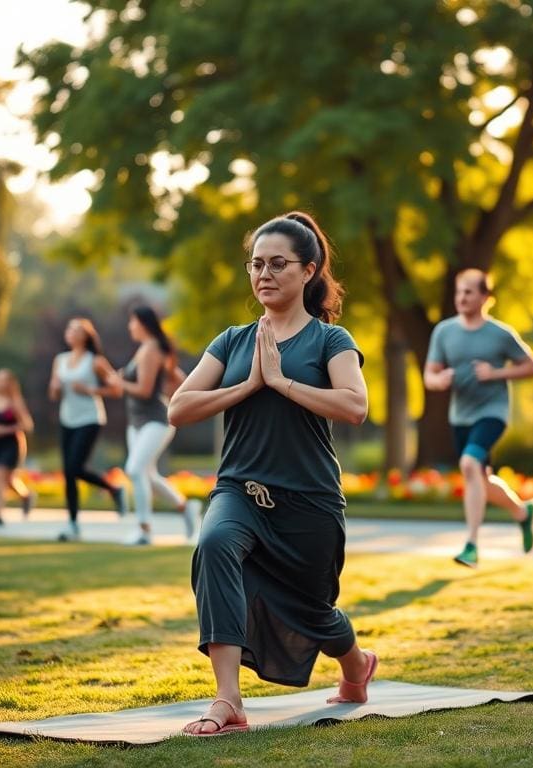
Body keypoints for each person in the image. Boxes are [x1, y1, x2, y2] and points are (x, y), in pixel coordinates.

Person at [168, 211, 376, 737]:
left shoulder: (332, 341)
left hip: (308, 501)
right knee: (213, 545)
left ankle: (355, 666)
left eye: (277, 264)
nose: (264, 273)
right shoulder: (234, 341)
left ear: (308, 271)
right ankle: (228, 699)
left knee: (311, 609)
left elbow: (355, 406)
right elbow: (180, 407)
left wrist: (282, 383)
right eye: (256, 264)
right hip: (240, 488)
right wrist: (248, 386)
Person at [423, 269, 533, 568]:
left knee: (469, 465)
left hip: (493, 412)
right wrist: (441, 380)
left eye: (469, 292)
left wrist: (496, 373)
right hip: (460, 415)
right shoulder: (444, 332)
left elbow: (532, 366)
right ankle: (522, 513)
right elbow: (429, 375)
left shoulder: (500, 334)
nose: (462, 298)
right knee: (480, 478)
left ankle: (472, 545)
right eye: (458, 292)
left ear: (485, 297)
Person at [105, 305, 202, 545]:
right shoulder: (146, 350)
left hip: (156, 420)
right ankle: (185, 506)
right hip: (137, 422)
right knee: (146, 474)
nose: (130, 326)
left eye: (133, 322)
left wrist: (119, 381)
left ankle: (144, 530)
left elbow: (144, 390)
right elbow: (177, 378)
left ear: (143, 323)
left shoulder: (152, 349)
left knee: (135, 470)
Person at [48, 317, 127, 542]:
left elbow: (116, 390)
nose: (70, 331)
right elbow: (53, 395)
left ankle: (112, 489)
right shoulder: (59, 360)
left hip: (90, 419)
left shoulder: (96, 361)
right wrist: (54, 388)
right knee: (70, 473)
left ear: (86, 335)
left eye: (76, 329)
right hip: (67, 419)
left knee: (74, 467)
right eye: (69, 328)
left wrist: (89, 390)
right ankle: (73, 525)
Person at [0, 369, 34, 526]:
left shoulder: (14, 402)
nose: (0, 383)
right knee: (4, 480)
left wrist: (5, 429)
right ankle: (25, 496)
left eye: (4, 380)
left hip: (12, 443)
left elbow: (27, 425)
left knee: (2, 475)